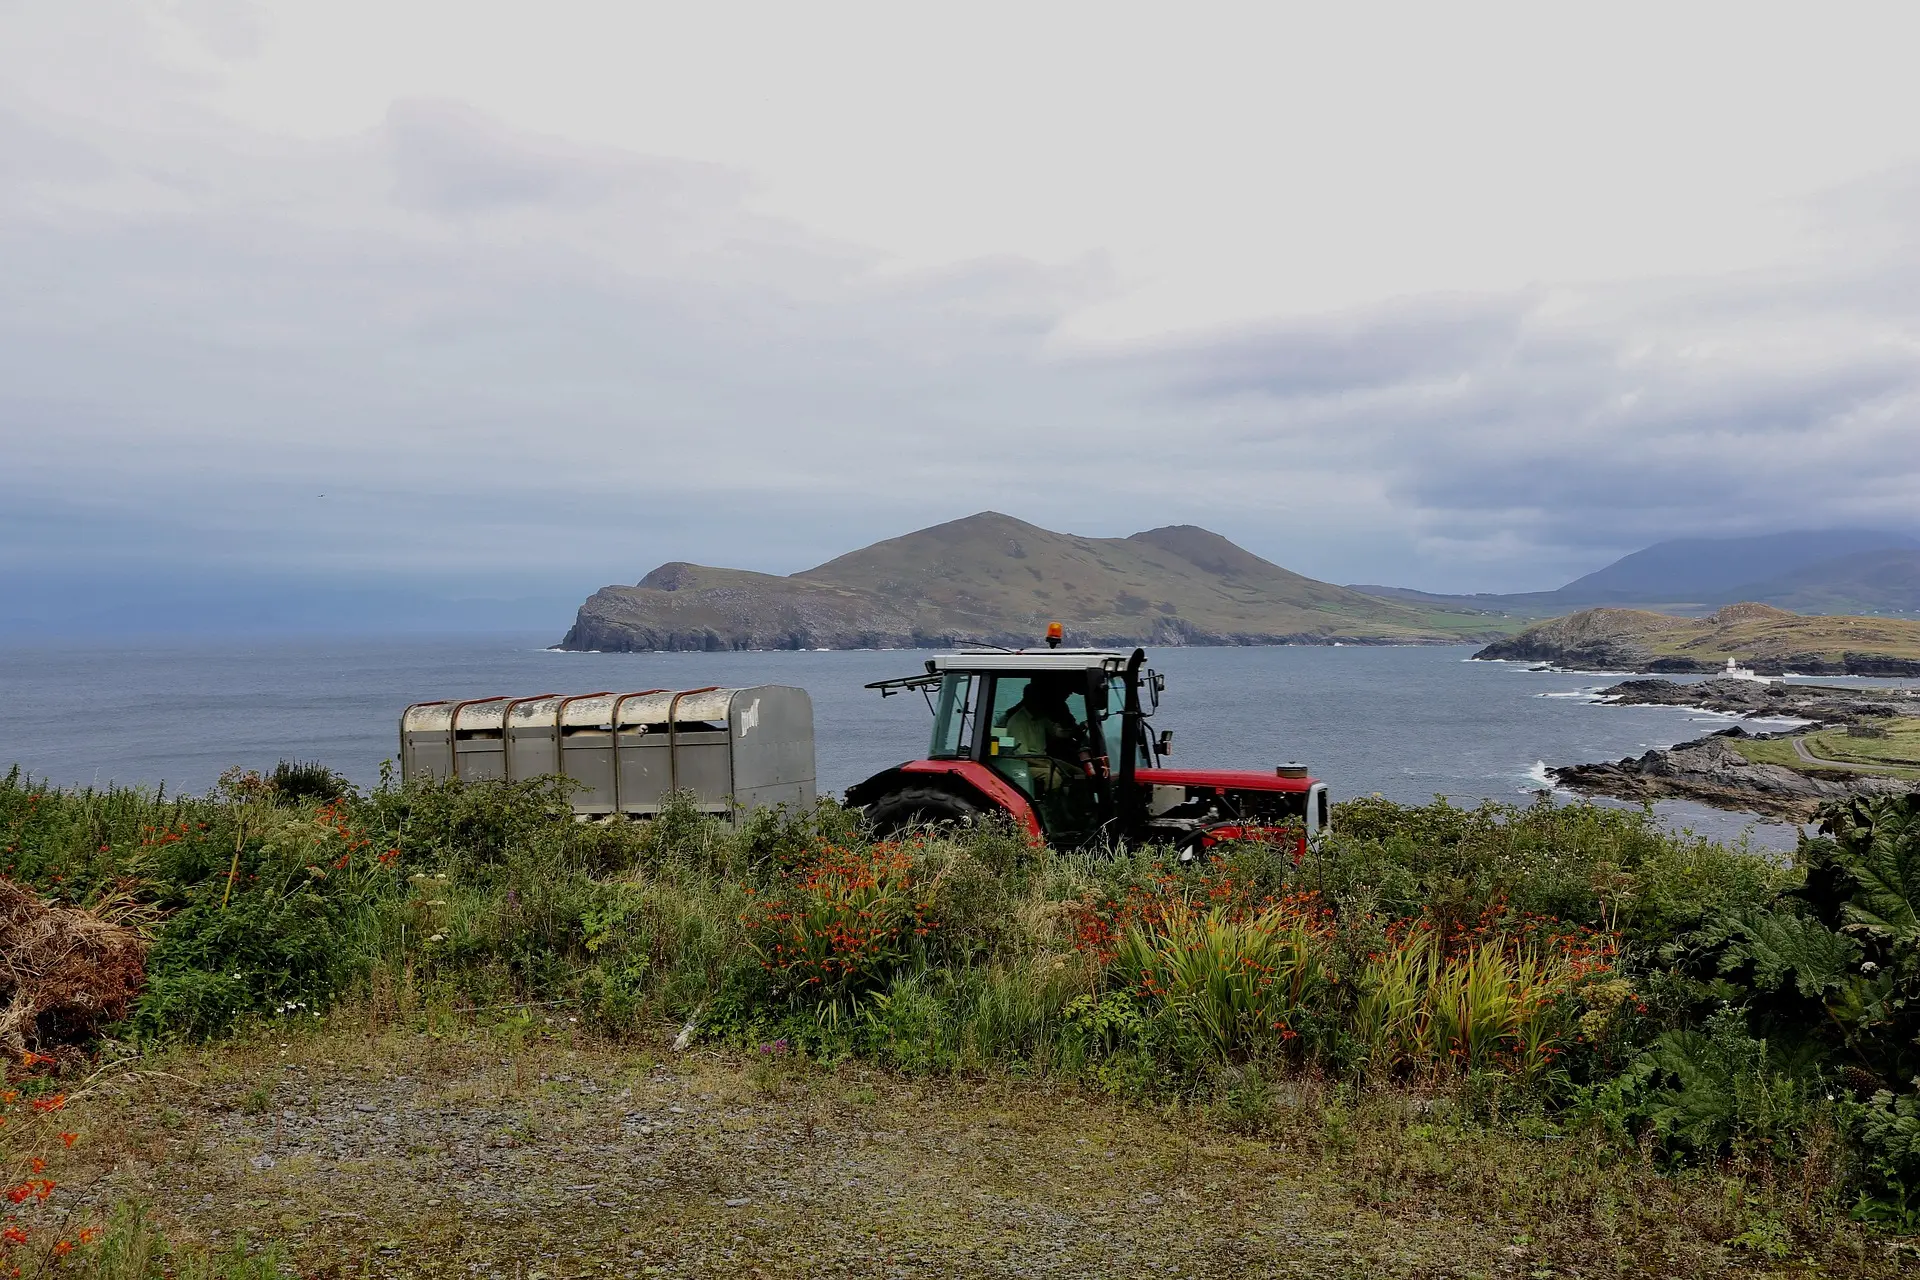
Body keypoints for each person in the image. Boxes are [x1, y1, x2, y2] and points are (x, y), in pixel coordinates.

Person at [999, 674, 1090, 791]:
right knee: (1053, 776)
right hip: (1024, 764)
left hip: (1043, 759)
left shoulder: (1041, 717)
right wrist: (1048, 764)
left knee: (1078, 771)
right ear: (1031, 700)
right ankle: (1051, 806)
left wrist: (1077, 730)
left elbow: (1057, 733)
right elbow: (1022, 756)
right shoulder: (1017, 722)